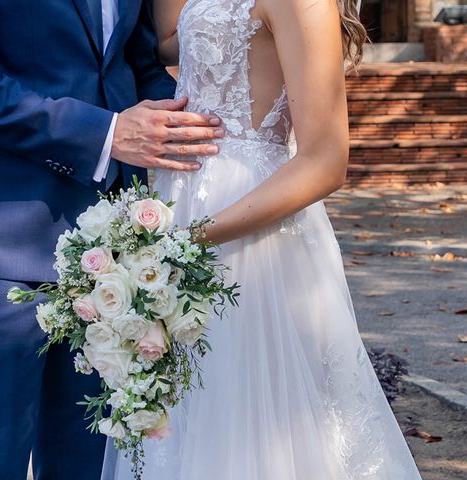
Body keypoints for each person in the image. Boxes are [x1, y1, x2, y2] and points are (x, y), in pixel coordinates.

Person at [0, 1, 225, 479]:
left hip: (116, 245)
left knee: (89, 465)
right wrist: (106, 134)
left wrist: (221, 129)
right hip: (0, 235)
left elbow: (133, 65)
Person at [104, 0, 423, 478]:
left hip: (249, 229)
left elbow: (326, 160)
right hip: (180, 207)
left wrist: (191, 238)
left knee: (254, 415)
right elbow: (167, 37)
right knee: (187, 410)